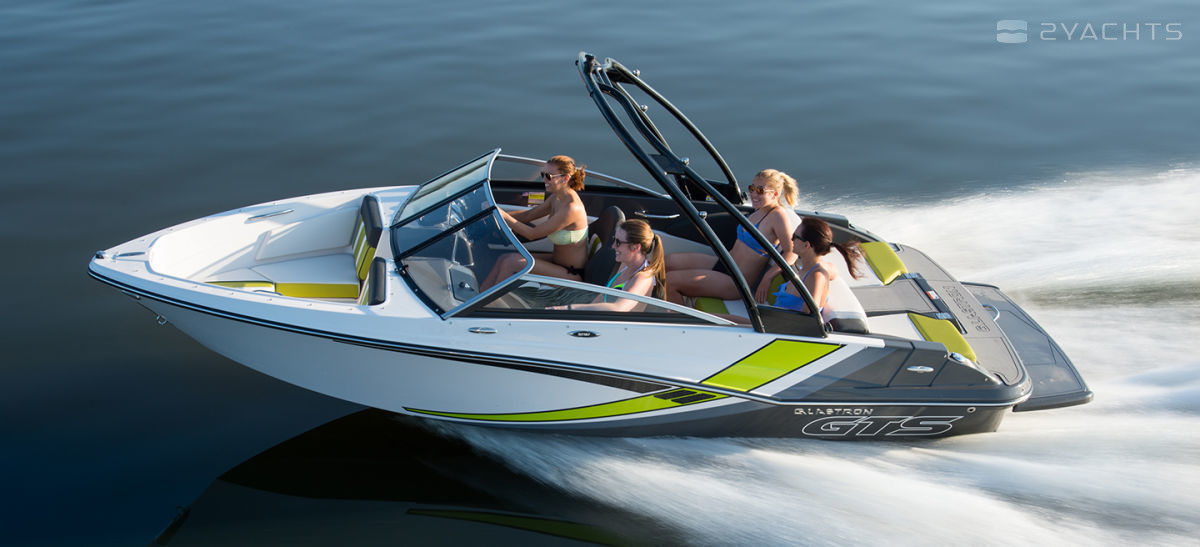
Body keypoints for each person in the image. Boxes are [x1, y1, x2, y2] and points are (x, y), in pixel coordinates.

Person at [665, 169, 800, 305]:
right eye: (752, 188)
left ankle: (679, 318)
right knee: (667, 261)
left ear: (775, 194)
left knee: (670, 282)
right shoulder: (760, 210)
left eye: (760, 190)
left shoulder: (778, 216)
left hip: (735, 282)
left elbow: (792, 252)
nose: (753, 194)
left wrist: (767, 278)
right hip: (725, 264)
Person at [480, 155, 589, 290]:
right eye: (543, 175)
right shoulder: (557, 198)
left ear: (565, 178)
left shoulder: (571, 208)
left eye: (548, 176)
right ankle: (480, 294)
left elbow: (532, 234)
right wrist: (494, 214)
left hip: (571, 273)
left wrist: (503, 215)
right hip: (556, 262)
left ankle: (490, 301)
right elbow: (528, 215)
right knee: (504, 257)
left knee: (510, 262)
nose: (544, 180)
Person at [552, 219, 665, 312]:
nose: (613, 246)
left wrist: (570, 308)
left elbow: (619, 308)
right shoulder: (625, 264)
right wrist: (581, 313)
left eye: (618, 242)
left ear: (635, 248)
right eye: (614, 240)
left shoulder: (643, 278)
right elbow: (603, 296)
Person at [771, 217, 863, 314]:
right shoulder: (813, 268)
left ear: (806, 245)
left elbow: (809, 317)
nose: (791, 239)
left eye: (795, 236)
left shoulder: (815, 276)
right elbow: (833, 270)